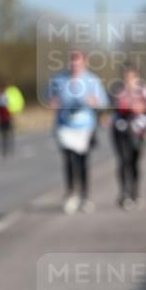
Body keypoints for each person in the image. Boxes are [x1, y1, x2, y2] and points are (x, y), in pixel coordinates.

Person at [48, 49, 108, 214]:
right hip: (64, 126)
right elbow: (51, 99)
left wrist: (93, 101)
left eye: (78, 61)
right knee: (68, 161)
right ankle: (70, 195)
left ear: (84, 62)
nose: (75, 64)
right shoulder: (58, 80)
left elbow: (102, 102)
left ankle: (85, 196)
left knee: (82, 162)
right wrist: (54, 103)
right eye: (72, 61)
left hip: (85, 127)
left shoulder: (92, 80)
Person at [111, 64, 146, 210]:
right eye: (126, 76)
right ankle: (124, 194)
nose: (128, 79)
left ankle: (135, 192)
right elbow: (112, 107)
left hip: (138, 132)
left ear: (137, 77)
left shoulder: (145, 91)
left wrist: (143, 110)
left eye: (132, 77)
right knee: (123, 160)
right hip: (120, 131)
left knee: (134, 162)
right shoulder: (118, 90)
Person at [0, 79, 25, 157]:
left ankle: (9, 148)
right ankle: (3, 149)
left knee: (9, 134)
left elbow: (13, 105)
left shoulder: (8, 95)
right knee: (1, 135)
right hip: (0, 118)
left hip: (8, 117)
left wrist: (13, 113)